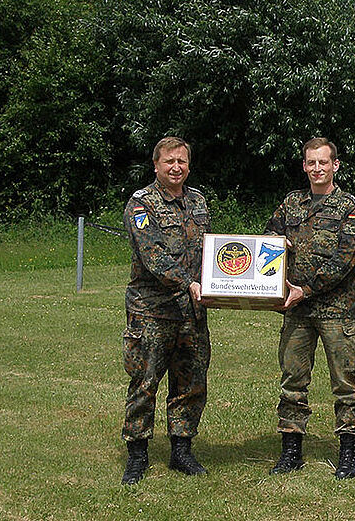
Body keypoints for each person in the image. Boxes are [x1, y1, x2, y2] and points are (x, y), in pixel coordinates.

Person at [263, 138, 355, 478]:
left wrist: (304, 290)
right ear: (304, 166)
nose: (317, 168)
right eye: (311, 163)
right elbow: (267, 241)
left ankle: (348, 452)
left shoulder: (349, 206)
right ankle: (291, 450)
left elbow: (345, 260)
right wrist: (279, 246)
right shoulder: (291, 203)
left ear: (336, 165)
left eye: (324, 162)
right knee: (293, 381)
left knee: (346, 383)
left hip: (337, 311)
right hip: (297, 312)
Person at [121, 136, 211, 485]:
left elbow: (210, 252)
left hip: (192, 311)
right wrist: (189, 281)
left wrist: (223, 283)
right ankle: (138, 452)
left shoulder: (198, 202)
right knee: (145, 382)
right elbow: (153, 256)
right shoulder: (141, 205)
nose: (176, 168)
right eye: (170, 162)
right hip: (151, 310)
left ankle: (181, 450)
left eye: (182, 162)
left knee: (190, 382)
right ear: (156, 165)